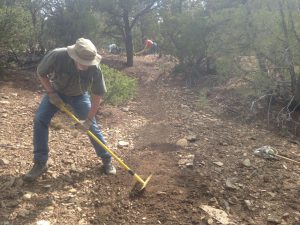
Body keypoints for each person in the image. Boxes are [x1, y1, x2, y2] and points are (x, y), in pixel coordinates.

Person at [23, 38, 116, 182]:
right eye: (82, 62)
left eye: (88, 63)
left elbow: (98, 94)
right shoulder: (57, 55)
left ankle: (106, 159)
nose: (86, 66)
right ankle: (40, 162)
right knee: (40, 119)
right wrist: (51, 94)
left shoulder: (95, 67)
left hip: (79, 95)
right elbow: (41, 73)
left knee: (92, 127)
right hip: (57, 91)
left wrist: (89, 119)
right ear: (74, 56)